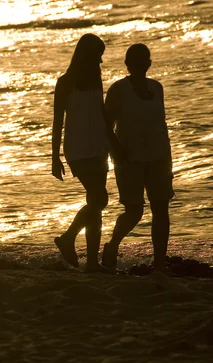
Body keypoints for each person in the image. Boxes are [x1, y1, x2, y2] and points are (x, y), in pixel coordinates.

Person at [102, 43, 174, 272]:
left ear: (150, 63)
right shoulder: (118, 90)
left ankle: (160, 263)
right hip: (128, 158)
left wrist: (168, 153)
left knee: (161, 208)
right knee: (134, 211)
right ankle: (112, 246)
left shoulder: (157, 88)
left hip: (160, 156)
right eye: (136, 60)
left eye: (145, 60)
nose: (142, 64)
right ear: (127, 64)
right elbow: (106, 126)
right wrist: (117, 154)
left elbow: (161, 124)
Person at [51, 33, 117, 273]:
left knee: (95, 202)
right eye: (98, 56)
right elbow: (58, 120)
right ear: (87, 55)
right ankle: (68, 238)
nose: (101, 62)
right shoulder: (65, 82)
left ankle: (91, 262)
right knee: (100, 199)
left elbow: (101, 114)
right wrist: (54, 156)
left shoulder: (95, 80)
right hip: (77, 149)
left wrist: (113, 144)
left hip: (98, 147)